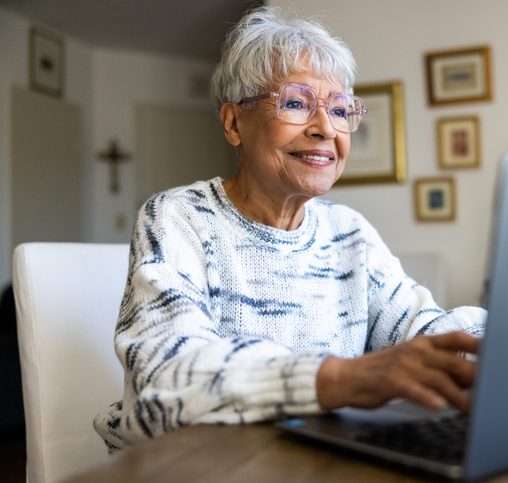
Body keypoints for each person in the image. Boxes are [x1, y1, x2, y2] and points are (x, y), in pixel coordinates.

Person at [94, 7, 486, 452]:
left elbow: (425, 332)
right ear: (233, 122)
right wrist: (337, 378)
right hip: (188, 466)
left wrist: (507, 341)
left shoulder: (348, 233)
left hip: (309, 457)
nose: (324, 129)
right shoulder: (178, 218)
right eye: (296, 104)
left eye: (340, 110)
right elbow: (165, 377)